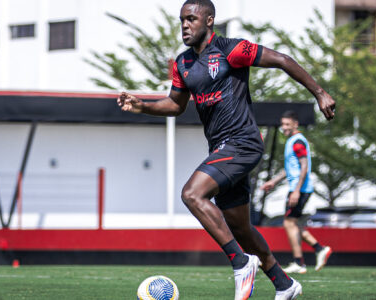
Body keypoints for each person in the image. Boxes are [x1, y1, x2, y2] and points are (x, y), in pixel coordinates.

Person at [117, 0, 335, 299]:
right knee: (240, 227)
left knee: (192, 194)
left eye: (191, 18)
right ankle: (285, 284)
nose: (184, 24)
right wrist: (143, 106)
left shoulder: (232, 49)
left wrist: (320, 93)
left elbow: (282, 59)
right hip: (221, 147)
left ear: (209, 21)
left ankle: (240, 262)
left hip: (243, 142)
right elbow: (176, 105)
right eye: (181, 19)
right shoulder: (183, 63)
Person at [260, 111, 332, 274]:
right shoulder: (292, 141)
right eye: (282, 124)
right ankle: (319, 249)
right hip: (298, 189)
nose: (284, 128)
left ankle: (300, 261)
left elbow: (304, 167)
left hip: (299, 189)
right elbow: (290, 169)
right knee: (294, 224)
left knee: (289, 223)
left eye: (287, 124)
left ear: (295, 124)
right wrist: (273, 182)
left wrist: (296, 191)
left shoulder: (297, 141)